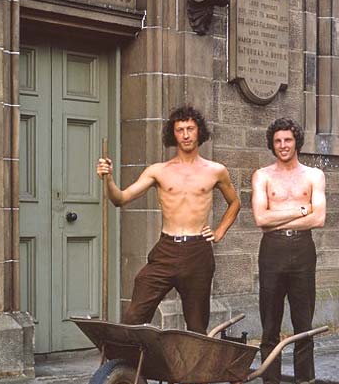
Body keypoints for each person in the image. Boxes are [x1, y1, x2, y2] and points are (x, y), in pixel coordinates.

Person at [96, 105, 241, 336]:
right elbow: (120, 199)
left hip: (197, 251)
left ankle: (193, 372)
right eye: (180, 129)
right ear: (172, 134)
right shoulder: (158, 171)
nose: (185, 134)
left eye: (190, 129)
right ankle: (128, 370)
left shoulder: (216, 171)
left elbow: (235, 202)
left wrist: (220, 231)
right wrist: (108, 179)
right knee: (134, 316)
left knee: (196, 326)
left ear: (198, 131)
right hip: (166, 249)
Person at [251, 118, 326, 384]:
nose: (283, 146)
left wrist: (279, 213)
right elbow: (261, 219)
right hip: (272, 250)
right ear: (272, 143)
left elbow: (318, 219)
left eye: (288, 140)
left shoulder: (314, 176)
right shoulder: (262, 176)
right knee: (270, 322)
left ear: (297, 142)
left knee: (303, 322)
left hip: (302, 250)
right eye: (278, 141)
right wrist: (299, 208)